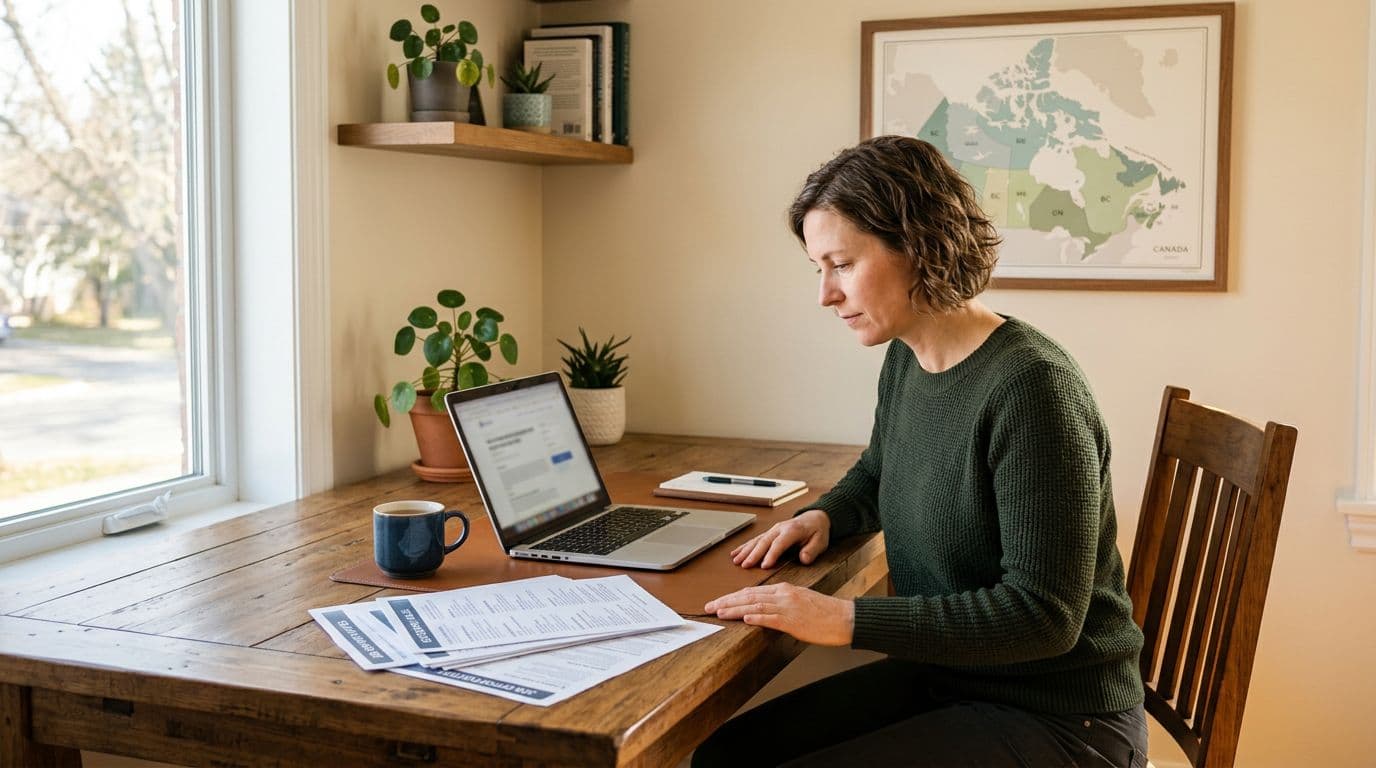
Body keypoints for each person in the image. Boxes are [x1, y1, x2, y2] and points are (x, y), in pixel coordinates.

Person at [692, 135, 1148, 768]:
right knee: (727, 755)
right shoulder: (908, 356)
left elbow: (1045, 616)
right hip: (951, 678)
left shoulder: (1033, 388)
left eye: (842, 265)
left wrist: (846, 620)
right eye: (818, 268)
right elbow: (881, 469)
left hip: (1064, 718)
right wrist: (825, 515)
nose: (825, 294)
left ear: (917, 246)